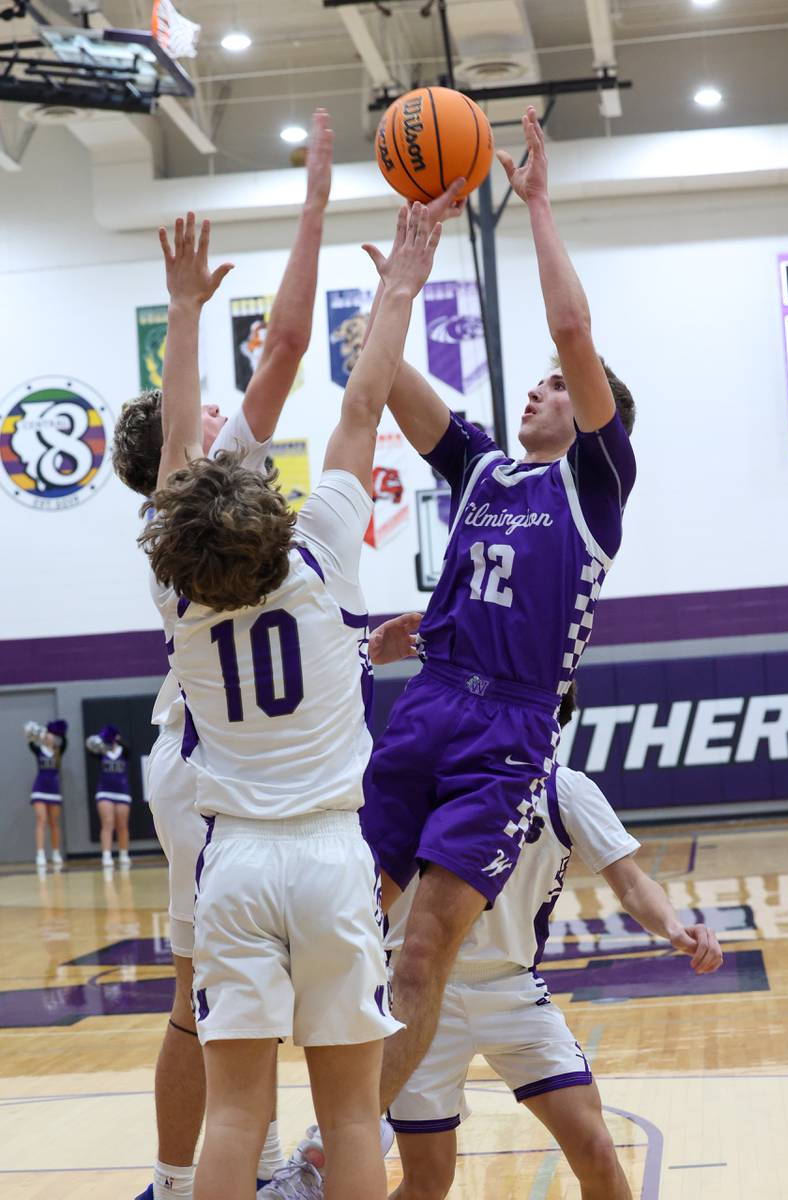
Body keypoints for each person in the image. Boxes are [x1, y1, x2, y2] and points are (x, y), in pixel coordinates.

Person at [139, 201, 442, 1200]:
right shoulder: (319, 566)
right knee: (351, 1114)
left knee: (235, 1113)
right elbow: (360, 406)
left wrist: (183, 313)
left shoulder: (177, 597)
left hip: (235, 866)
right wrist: (400, 280)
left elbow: (179, 444)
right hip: (326, 859)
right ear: (273, 510)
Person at [359, 106, 638, 1114]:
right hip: (429, 701)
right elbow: (382, 376)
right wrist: (397, 286)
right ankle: (283, 1136)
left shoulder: (593, 491)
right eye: (542, 380)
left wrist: (536, 208)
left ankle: (327, 1158)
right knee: (337, 926)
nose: (544, 381)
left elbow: (571, 328)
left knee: (425, 952)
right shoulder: (479, 469)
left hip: (510, 728)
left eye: (563, 387)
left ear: (597, 414)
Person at [114, 112, 336, 1200]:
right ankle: (279, 1165)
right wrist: (311, 203)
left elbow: (281, 349)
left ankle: (176, 1178)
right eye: (196, 409)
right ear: (187, 442)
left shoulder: (185, 522)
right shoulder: (209, 482)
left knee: (198, 993)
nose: (215, 408)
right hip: (222, 769)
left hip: (192, 753)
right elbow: (290, 345)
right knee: (268, 993)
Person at [384, 685, 723, 1200]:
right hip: (418, 992)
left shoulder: (567, 790)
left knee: (597, 1150)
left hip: (513, 991)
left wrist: (674, 927)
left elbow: (630, 881)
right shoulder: (426, 782)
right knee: (428, 1182)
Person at [85, 724, 132, 869]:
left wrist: (116, 739)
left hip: (122, 791)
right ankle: (106, 855)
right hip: (104, 791)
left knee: (122, 825)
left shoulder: (123, 751)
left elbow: (129, 749)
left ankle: (123, 854)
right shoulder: (101, 751)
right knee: (107, 822)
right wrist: (98, 742)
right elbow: (90, 749)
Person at [25, 719, 68, 870]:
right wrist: (32, 732)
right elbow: (30, 742)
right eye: (47, 735)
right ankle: (40, 854)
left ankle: (56, 853)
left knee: (53, 823)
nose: (48, 737)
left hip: (53, 790)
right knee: (41, 820)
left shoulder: (58, 751)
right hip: (39, 788)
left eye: (51, 735)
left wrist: (59, 731)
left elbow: (64, 741)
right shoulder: (38, 750)